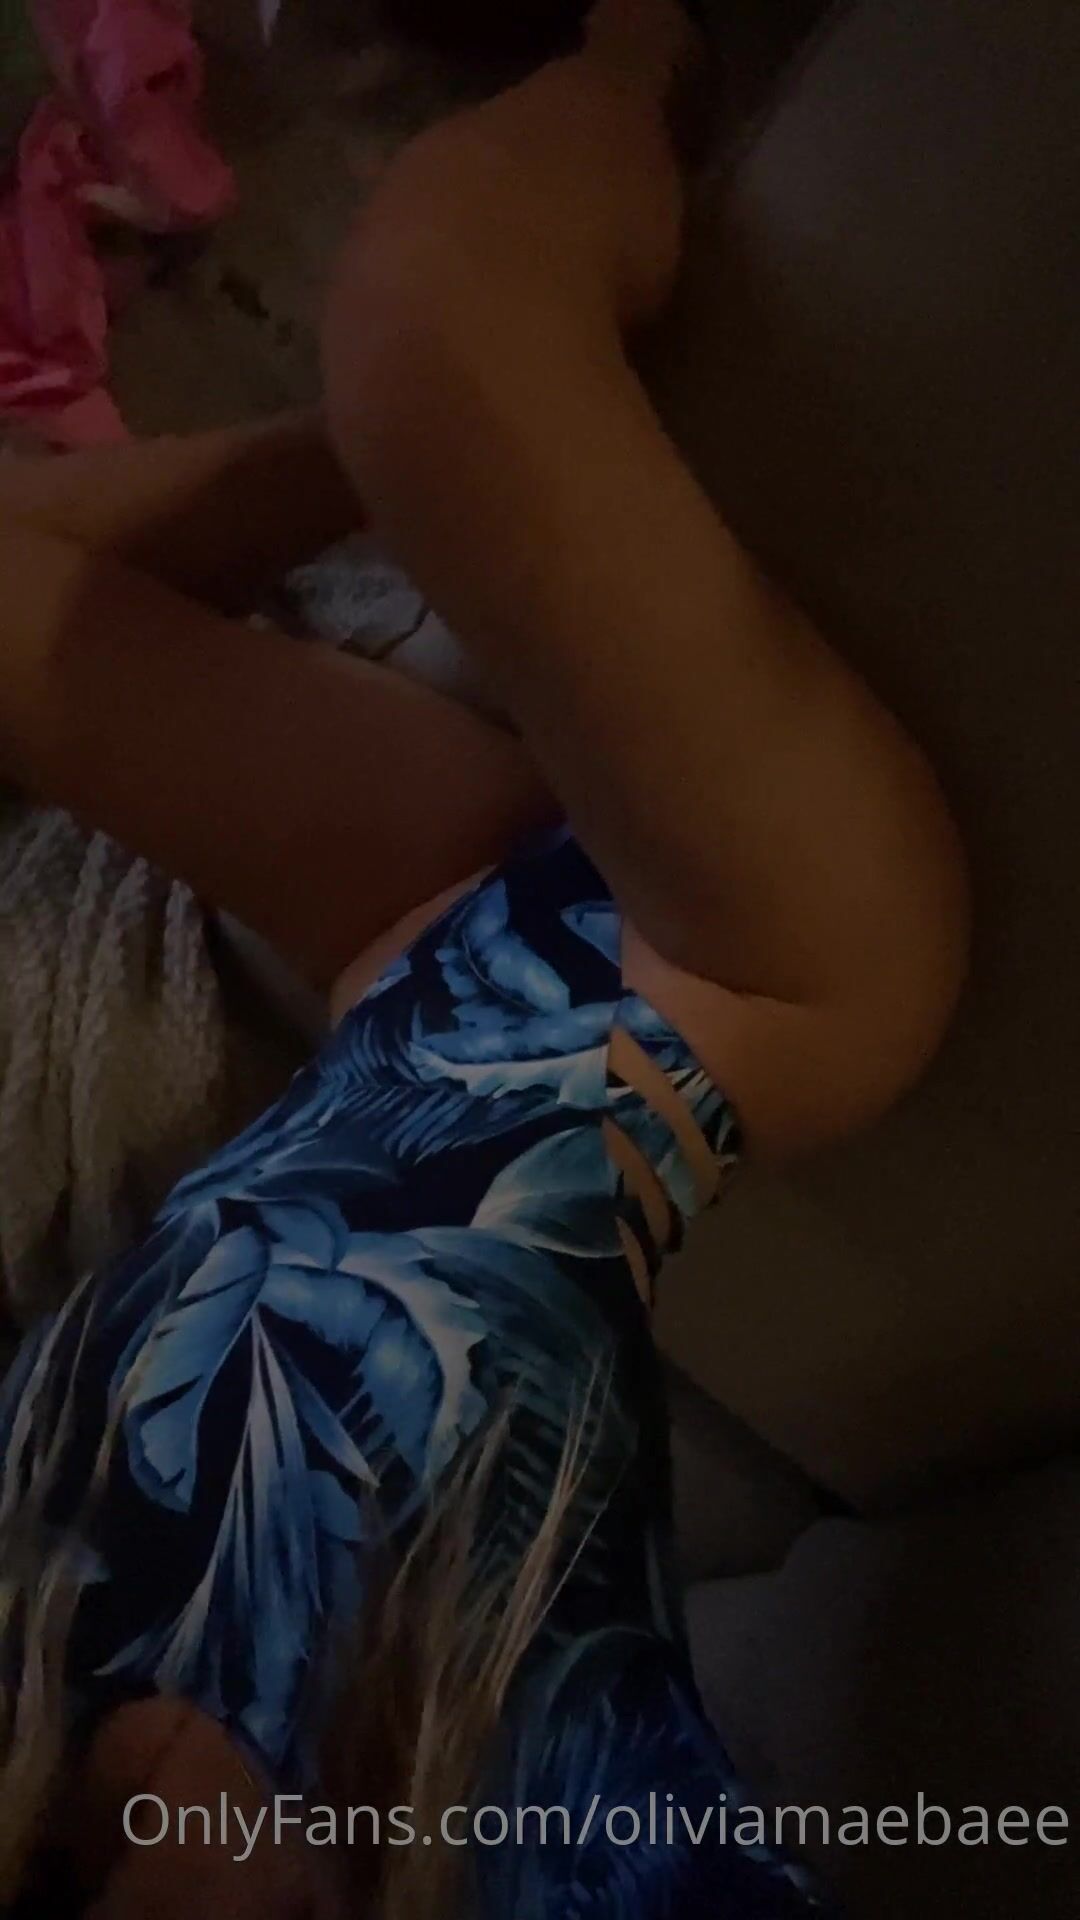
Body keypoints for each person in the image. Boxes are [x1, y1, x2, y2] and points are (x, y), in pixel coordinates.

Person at [0, 2, 968, 1913]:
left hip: (414, 970)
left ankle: (383, 472)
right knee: (430, 329)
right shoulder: (521, 1846)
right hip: (741, 975)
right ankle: (650, 52)